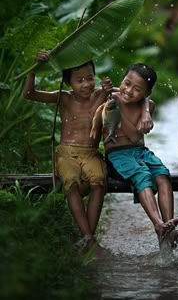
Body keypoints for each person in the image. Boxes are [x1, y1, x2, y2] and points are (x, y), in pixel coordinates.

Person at [23, 52, 153, 256]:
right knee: (71, 183)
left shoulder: (102, 94)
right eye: (79, 80)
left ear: (96, 76)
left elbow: (139, 94)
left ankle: (87, 239)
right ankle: (89, 239)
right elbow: (29, 94)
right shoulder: (63, 97)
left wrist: (145, 112)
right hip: (67, 153)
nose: (86, 84)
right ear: (68, 82)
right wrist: (34, 68)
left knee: (99, 182)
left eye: (90, 78)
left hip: (92, 153)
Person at [101, 63, 178, 249]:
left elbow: (136, 137)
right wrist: (111, 95)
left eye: (137, 89)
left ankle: (169, 229)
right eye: (126, 83)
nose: (128, 90)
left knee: (163, 175)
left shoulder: (148, 105)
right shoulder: (110, 99)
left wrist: (145, 111)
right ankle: (158, 225)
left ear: (146, 93)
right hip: (117, 156)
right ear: (122, 79)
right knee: (142, 176)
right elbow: (132, 134)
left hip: (141, 152)